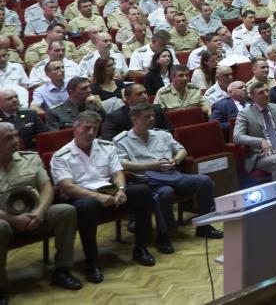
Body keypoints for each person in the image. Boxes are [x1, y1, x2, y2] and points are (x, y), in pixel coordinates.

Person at [51, 111, 157, 282]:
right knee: (88, 206)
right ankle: (92, 262)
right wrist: (97, 197)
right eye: (87, 128)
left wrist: (121, 189)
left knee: (142, 192)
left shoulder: (106, 146)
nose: (91, 132)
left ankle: (141, 248)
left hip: (108, 190)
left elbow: (117, 173)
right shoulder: (62, 155)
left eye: (95, 129)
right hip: (81, 195)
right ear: (75, 129)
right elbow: (67, 187)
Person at [113, 103, 223, 253]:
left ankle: (204, 226)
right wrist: (149, 166)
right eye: (147, 117)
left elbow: (182, 150)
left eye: (152, 116)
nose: (152, 119)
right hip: (147, 181)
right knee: (165, 192)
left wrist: (176, 160)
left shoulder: (162, 134)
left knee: (205, 181)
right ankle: (163, 236)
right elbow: (121, 164)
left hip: (172, 175)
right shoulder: (121, 140)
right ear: (134, 119)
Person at [0, 122, 82, 297]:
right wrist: (13, 219)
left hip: (35, 215)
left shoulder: (30, 158)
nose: (15, 141)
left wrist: (41, 212)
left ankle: (62, 270)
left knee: (66, 211)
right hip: (5, 220)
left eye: (16, 136)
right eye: (8, 138)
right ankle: (1, 286)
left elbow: (47, 187)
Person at [101, 83, 172, 140]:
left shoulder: (157, 110)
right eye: (139, 94)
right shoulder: (115, 117)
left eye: (145, 92)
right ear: (128, 98)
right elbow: (108, 140)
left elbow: (169, 130)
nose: (144, 96)